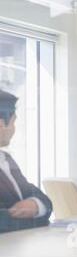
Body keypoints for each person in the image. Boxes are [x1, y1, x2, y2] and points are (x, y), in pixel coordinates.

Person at [0, 90, 52, 233]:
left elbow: (42, 198)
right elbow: (3, 222)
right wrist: (38, 218)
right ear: (1, 125)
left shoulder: (6, 160)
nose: (14, 129)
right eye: (13, 122)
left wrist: (35, 205)